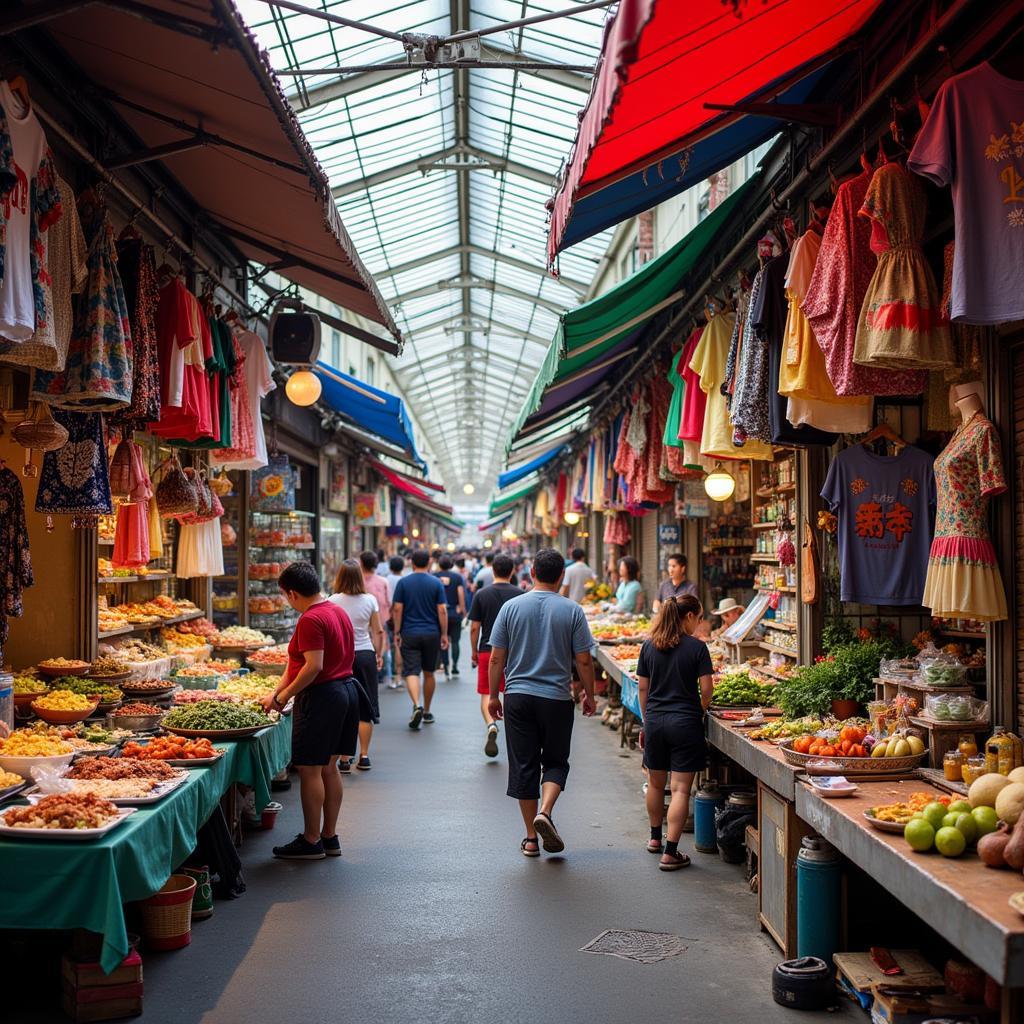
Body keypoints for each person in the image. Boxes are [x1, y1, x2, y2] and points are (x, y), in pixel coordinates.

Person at [488, 548, 597, 857]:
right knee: (555, 761)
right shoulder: (572, 610)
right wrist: (589, 694)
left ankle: (531, 839)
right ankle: (545, 812)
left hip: (518, 698)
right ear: (561, 576)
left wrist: (494, 695)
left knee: (524, 765)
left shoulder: (511, 607)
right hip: (556, 699)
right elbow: (584, 661)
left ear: (532, 572)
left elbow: (497, 657)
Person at [262, 561, 364, 860]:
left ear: (292, 593)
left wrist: (283, 698)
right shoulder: (337, 611)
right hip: (345, 691)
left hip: (322, 698)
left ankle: (310, 840)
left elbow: (313, 666)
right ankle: (329, 837)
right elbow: (298, 664)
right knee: (329, 767)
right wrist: (277, 693)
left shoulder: (310, 619)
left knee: (309, 770)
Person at [636, 594, 714, 871]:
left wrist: (648, 719)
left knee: (656, 784)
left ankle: (655, 839)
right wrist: (700, 708)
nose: (700, 623)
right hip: (685, 723)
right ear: (689, 617)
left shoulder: (648, 647)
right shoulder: (697, 648)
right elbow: (706, 690)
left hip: (656, 721)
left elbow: (642, 689)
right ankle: (671, 852)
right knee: (681, 788)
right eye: (700, 617)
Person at [329, 559, 385, 773]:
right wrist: (378, 654)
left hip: (340, 655)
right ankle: (364, 755)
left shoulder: (332, 600)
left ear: (340, 577)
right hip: (364, 655)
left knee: (342, 705)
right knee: (365, 706)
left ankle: (344, 758)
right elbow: (378, 631)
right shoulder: (370, 600)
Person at [468, 553, 522, 758]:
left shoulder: (482, 594)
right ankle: (514, 733)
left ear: (493, 571)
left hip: (487, 650)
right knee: (511, 691)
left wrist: (474, 650)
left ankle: (491, 724)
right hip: (514, 652)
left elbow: (474, 627)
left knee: (487, 693)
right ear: (512, 571)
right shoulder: (520, 594)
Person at [392, 549, 448, 729]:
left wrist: (397, 631)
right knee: (429, 672)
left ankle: (416, 704)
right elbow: (442, 610)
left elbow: (398, 609)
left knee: (411, 671)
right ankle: (427, 711)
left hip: (409, 632)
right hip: (432, 633)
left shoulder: (403, 583)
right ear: (429, 562)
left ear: (412, 563)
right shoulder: (436, 583)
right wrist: (444, 634)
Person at [359, 551, 392, 691]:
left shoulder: (358, 582)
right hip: (381, 619)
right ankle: (383, 673)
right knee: (382, 645)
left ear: (361, 563)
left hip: (361, 622)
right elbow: (389, 602)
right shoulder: (383, 581)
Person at [434, 554, 466, 680]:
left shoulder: (434, 577)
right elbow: (460, 593)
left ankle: (446, 666)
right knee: (456, 641)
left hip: (440, 614)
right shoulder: (457, 577)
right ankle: (455, 666)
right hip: (454, 612)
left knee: (443, 640)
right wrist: (462, 609)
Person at [383, 555, 406, 689]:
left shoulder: (386, 580)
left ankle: (393, 676)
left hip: (389, 616)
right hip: (403, 617)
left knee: (391, 645)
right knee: (402, 646)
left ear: (391, 567)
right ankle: (401, 675)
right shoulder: (404, 580)